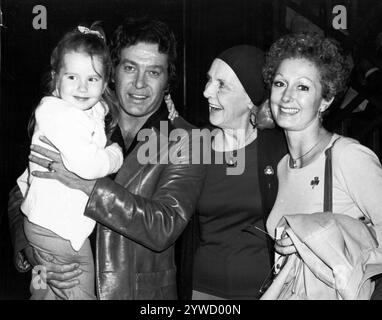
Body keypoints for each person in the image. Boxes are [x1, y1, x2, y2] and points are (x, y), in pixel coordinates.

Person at [8, 16, 206, 300]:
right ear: (112, 72)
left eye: (153, 72)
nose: (139, 84)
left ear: (168, 80)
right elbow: (21, 191)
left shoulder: (189, 139)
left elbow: (165, 225)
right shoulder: (79, 114)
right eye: (130, 68)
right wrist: (35, 253)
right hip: (56, 277)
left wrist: (87, 185)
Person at [262, 32, 382, 298]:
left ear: (325, 100)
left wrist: (318, 239)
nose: (286, 96)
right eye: (280, 83)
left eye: (303, 87)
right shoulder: (283, 166)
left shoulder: (347, 157)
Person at [166, 45, 287, 300]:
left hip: (266, 292)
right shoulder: (191, 148)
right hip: (201, 290)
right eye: (209, 80)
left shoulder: (279, 151)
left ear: (250, 100)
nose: (206, 91)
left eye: (221, 85)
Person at [16, 24, 124, 300]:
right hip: (59, 231)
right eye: (72, 76)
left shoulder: (80, 111)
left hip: (49, 224)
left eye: (92, 79)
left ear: (105, 82)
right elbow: (88, 166)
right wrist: (115, 156)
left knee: (49, 295)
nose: (82, 87)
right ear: (56, 79)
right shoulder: (60, 114)